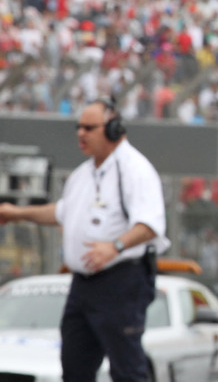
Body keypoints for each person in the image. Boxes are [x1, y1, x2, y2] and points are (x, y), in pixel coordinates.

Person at [0, 98, 169, 382]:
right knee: (75, 366)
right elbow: (62, 212)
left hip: (121, 280)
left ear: (114, 129)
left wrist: (114, 247)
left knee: (126, 369)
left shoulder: (134, 169)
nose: (81, 134)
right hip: (83, 283)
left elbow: (150, 224)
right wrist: (18, 213)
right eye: (79, 127)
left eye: (89, 128)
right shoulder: (83, 175)